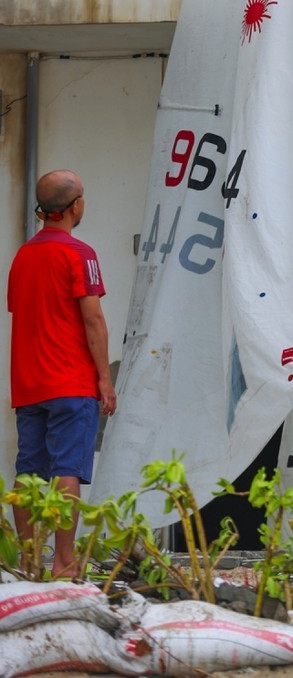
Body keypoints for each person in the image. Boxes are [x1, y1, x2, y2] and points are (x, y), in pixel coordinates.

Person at [7, 169, 117, 577]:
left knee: (28, 473)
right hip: (70, 382)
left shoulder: (23, 255)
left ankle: (27, 560)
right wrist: (104, 378)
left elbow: (24, 312)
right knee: (66, 470)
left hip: (29, 382)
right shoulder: (80, 254)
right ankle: (65, 563)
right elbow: (93, 321)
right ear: (73, 206)